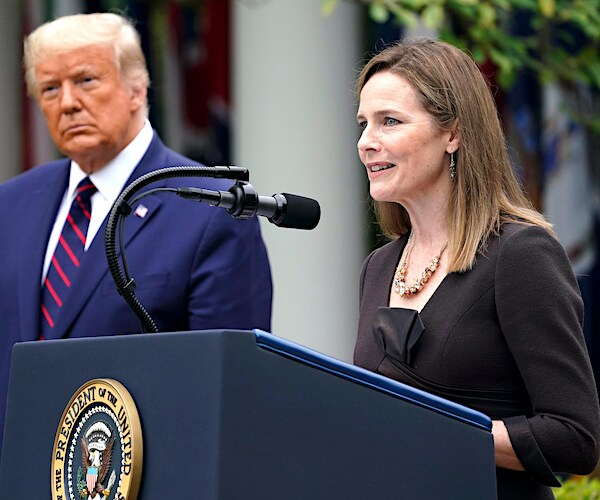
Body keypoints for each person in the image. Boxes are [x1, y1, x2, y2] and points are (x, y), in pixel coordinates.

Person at [0, 13, 272, 456]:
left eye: (86, 80)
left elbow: (230, 394)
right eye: (50, 88)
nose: (67, 102)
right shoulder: (9, 206)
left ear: (137, 88)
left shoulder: (211, 209)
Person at [353, 38, 600, 499]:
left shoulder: (520, 255)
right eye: (364, 123)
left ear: (454, 134)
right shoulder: (378, 267)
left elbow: (575, 437)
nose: (367, 142)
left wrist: (431, 427)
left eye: (390, 121)